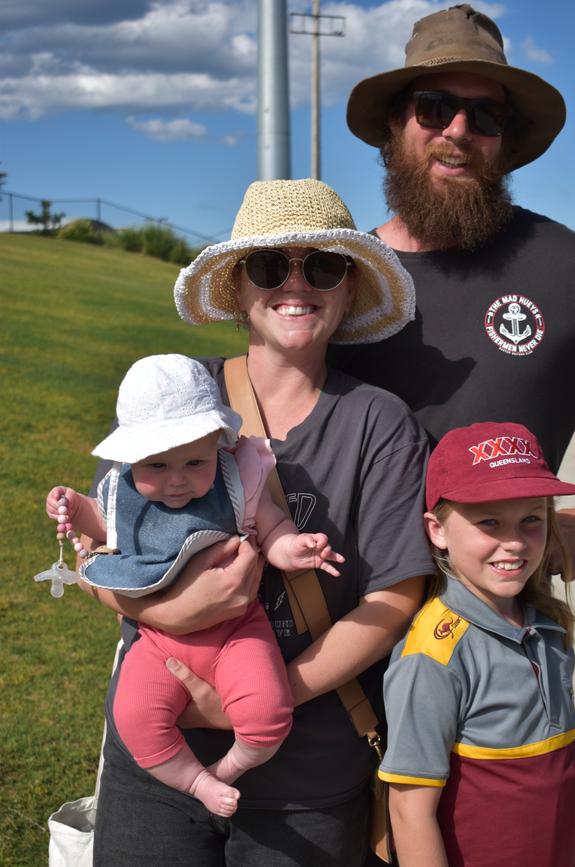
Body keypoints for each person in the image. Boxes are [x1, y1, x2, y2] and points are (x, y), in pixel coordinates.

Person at [79, 178, 433, 866]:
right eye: (271, 266)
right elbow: (98, 549)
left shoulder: (378, 421)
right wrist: (180, 609)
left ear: (351, 288)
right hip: (155, 762)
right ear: (238, 287)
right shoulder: (179, 394)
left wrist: (262, 698)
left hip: (308, 775)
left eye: (323, 266)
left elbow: (395, 597)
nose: (296, 285)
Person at [334, 3, 575, 579]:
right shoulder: (334, 276)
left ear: (504, 140)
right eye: (434, 108)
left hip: (498, 644)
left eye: (485, 116)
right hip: (335, 634)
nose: (458, 131)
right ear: (394, 126)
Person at [45, 352, 349, 818]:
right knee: (135, 718)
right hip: (158, 640)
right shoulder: (121, 489)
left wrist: (295, 550)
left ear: (219, 447)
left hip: (235, 631)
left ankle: (226, 771)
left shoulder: (238, 477)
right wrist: (70, 504)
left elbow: (271, 529)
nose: (176, 481)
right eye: (158, 467)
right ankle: (195, 781)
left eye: (193, 461)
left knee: (269, 714)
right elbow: (102, 524)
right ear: (129, 457)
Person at [379, 421, 575, 867]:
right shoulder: (433, 656)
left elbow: (564, 791)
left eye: (532, 519)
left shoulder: (549, 629)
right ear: (437, 530)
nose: (513, 541)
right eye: (489, 521)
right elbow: (409, 811)